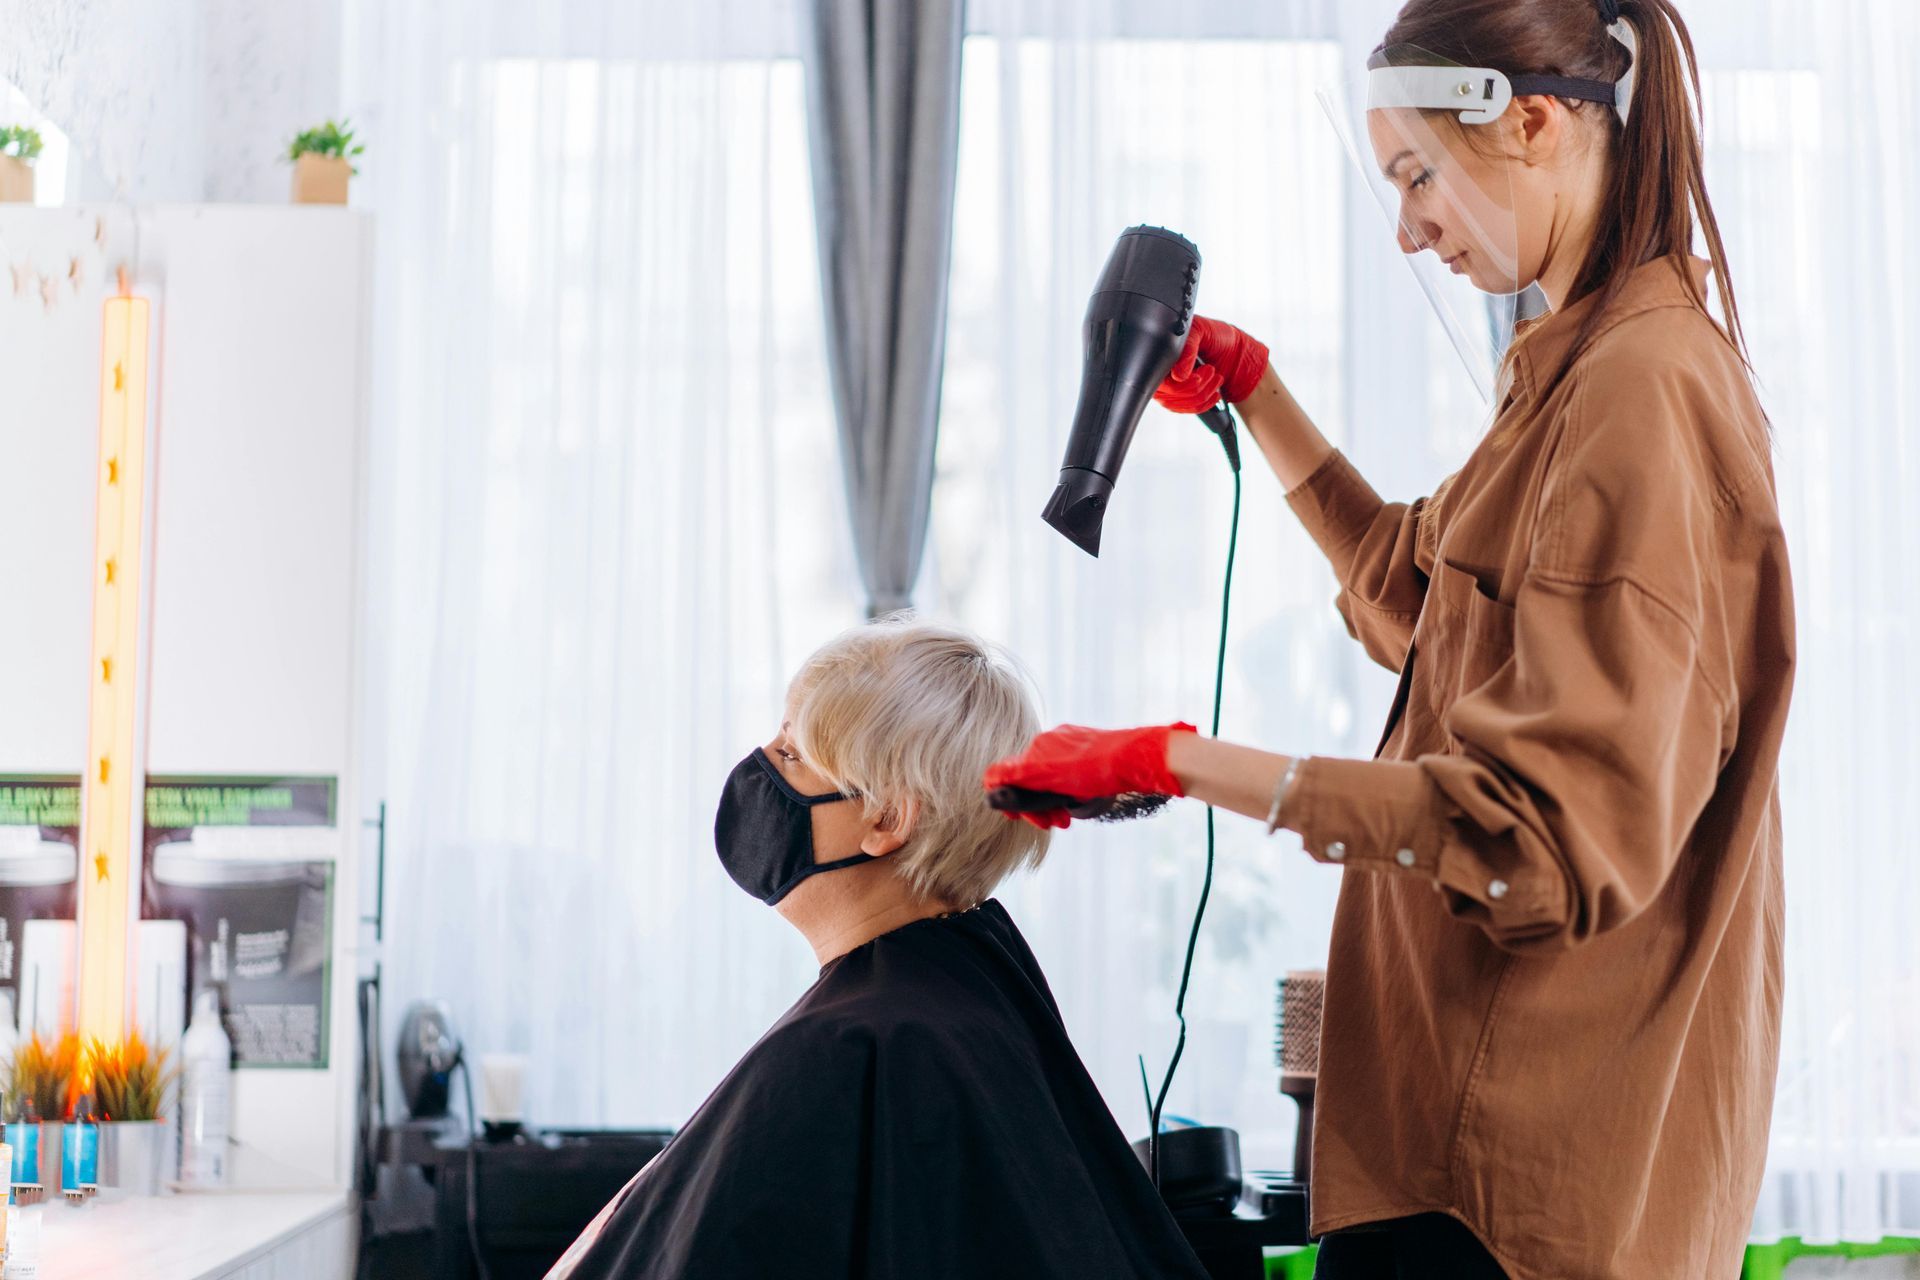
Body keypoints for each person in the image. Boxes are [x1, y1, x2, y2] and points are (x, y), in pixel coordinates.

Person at [986, 1, 1794, 1277]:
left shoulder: (1641, 393)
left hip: (1509, 1189)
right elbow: (1425, 605)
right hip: (1447, 1147)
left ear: (1530, 122)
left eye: (1418, 176)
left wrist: (1176, 764)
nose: (1410, 229)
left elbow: (1535, 836)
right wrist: (1253, 388)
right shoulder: (1572, 369)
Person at [549, 619, 1207, 1279]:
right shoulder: (959, 994)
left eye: (791, 752)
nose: (760, 765)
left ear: (886, 818)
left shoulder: (857, 1044)